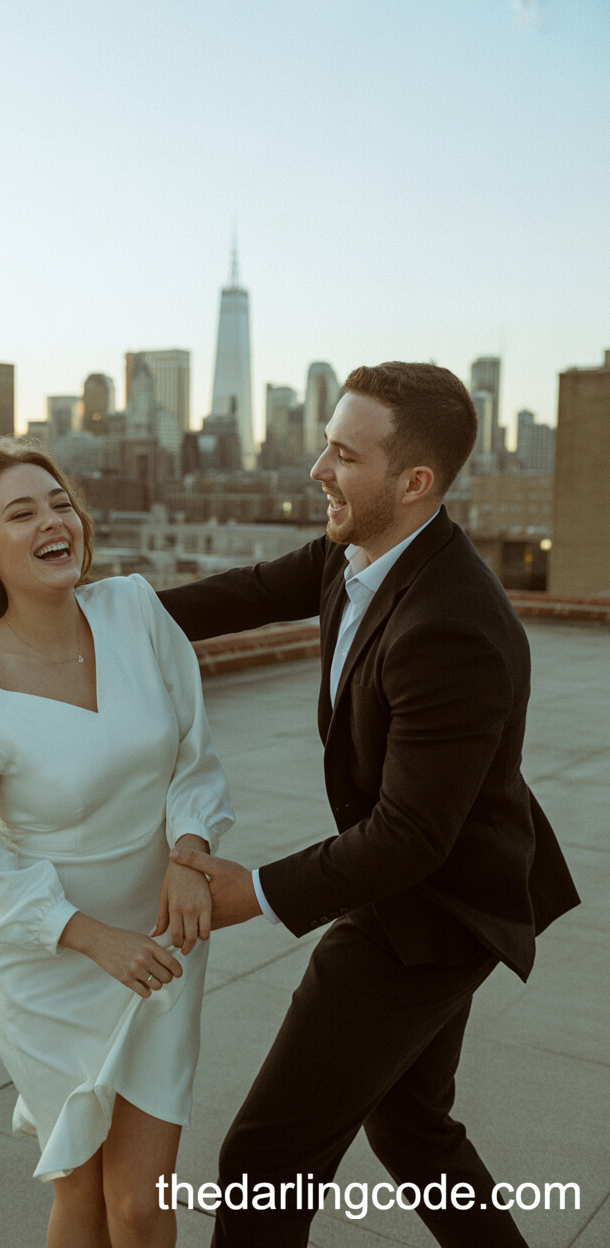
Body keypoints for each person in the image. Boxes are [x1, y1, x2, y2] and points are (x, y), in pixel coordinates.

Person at [157, 362, 580, 1247]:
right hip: (437, 885)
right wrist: (87, 616)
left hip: (434, 913)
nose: (318, 470)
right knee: (413, 1130)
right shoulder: (355, 555)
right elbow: (236, 593)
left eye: (344, 454)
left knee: (265, 1164)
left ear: (414, 481)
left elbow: (411, 836)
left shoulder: (451, 624)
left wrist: (254, 891)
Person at [0, 440, 234, 1248]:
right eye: (22, 513)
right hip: (51, 965)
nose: (54, 522)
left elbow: (194, 755)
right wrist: (93, 940)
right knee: (84, 1194)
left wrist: (191, 856)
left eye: (59, 504)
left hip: (162, 944)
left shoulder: (133, 610)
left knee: (140, 1203)